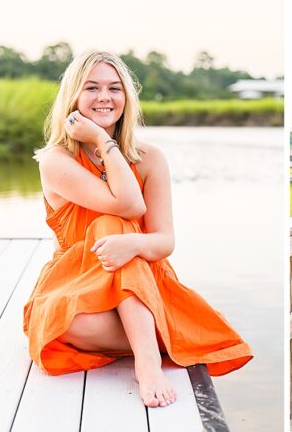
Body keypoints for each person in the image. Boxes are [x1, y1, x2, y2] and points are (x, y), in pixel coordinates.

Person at [23, 51, 252, 408]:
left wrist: (131, 243)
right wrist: (102, 139)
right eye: (92, 88)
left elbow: (164, 241)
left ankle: (147, 361)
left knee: (114, 229)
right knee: (66, 324)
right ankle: (169, 336)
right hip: (78, 280)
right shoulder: (56, 161)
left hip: (141, 279)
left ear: (127, 98)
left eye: (115, 88)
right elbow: (127, 204)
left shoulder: (150, 159)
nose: (104, 97)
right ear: (73, 98)